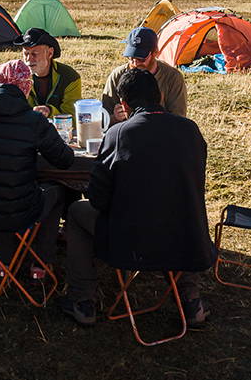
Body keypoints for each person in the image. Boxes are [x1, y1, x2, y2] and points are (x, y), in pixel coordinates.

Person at [59, 68, 215, 327]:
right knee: (178, 213)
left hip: (133, 244)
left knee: (77, 212)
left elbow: (98, 199)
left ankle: (82, 300)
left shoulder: (119, 134)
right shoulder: (190, 130)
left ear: (124, 104)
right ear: (160, 96)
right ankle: (190, 300)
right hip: (188, 238)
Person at [0, 59, 75, 274]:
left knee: (4, 188)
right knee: (56, 191)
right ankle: (41, 262)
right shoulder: (33, 120)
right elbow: (64, 160)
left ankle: (3, 263)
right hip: (19, 210)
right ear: (25, 87)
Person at [101, 27, 187, 124]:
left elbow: (179, 120)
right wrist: (114, 118)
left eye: (141, 58)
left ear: (155, 53)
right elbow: (103, 118)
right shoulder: (117, 76)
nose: (135, 63)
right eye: (131, 57)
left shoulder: (172, 78)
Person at [15, 27, 81, 118]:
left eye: (35, 54)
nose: (28, 59)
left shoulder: (70, 77)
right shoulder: (16, 76)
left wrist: (49, 111)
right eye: (26, 53)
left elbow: (73, 117)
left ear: (50, 53)